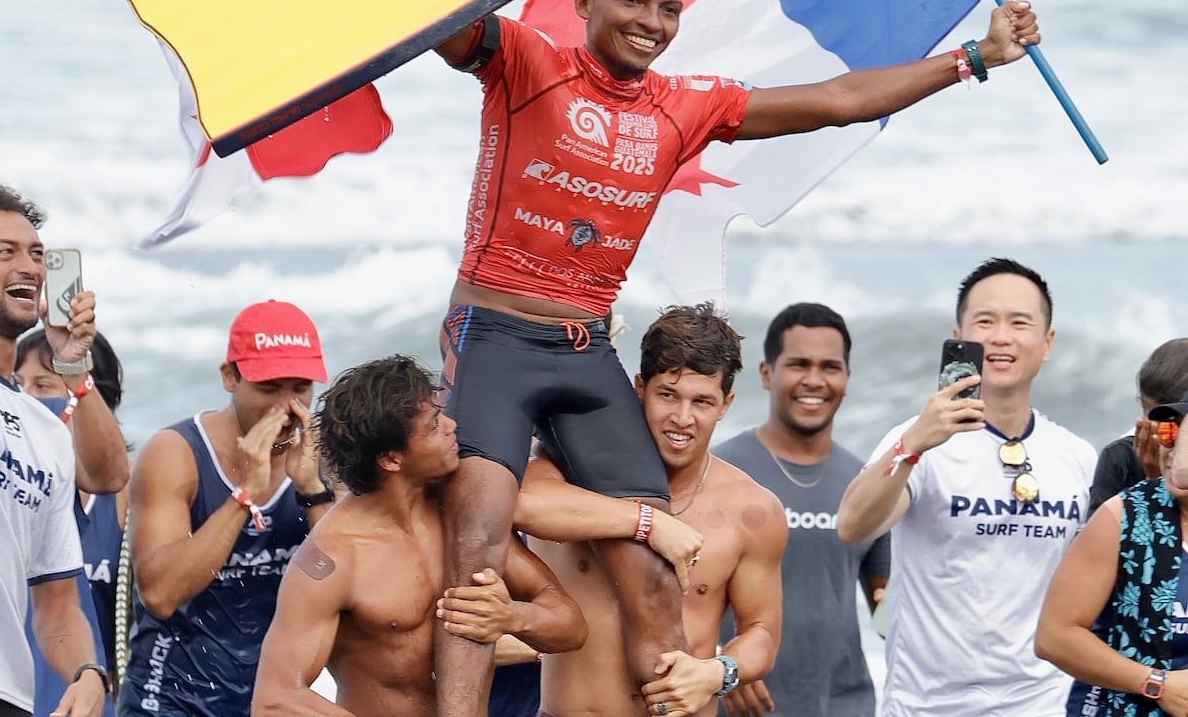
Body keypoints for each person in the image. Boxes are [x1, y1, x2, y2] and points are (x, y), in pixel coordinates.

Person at [429, 0, 1041, 715]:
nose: (651, 21)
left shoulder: (683, 106)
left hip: (585, 348)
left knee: (653, 565)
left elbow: (838, 100)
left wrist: (975, 57)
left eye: (669, 10)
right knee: (476, 552)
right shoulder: (523, 60)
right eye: (632, 1)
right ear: (584, 5)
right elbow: (433, 18)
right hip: (496, 333)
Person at [250, 355, 586, 717]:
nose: (452, 426)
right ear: (391, 459)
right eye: (433, 425)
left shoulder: (462, 518)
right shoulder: (333, 560)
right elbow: (275, 700)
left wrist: (510, 617)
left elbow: (572, 627)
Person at [836, 257, 1096, 716]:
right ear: (958, 338)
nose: (1000, 336)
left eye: (1019, 322)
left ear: (1047, 343)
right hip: (927, 705)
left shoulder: (1076, 456)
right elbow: (853, 525)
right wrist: (914, 443)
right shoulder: (919, 440)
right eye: (984, 321)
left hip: (1043, 703)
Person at [514, 303, 788, 717]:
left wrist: (719, 672)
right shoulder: (567, 471)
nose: (682, 418)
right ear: (640, 387)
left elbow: (762, 632)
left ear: (726, 404)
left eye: (702, 402)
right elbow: (522, 503)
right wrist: (648, 523)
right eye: (667, 395)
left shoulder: (752, 509)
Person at [116, 299, 336, 716]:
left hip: (268, 700)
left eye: (300, 388)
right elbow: (160, 595)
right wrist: (243, 497)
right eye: (269, 389)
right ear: (229, 377)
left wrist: (312, 492)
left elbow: (342, 583)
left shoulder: (319, 458)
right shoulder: (175, 453)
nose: (287, 408)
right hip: (169, 699)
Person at [712, 302, 890, 717]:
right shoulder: (721, 472)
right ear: (766, 373)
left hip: (845, 706)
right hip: (739, 706)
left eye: (830, 367)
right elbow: (667, 598)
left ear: (846, 377)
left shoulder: (866, 485)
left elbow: (889, 615)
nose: (815, 380)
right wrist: (720, 661)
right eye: (798, 364)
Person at [0, 182, 108, 716]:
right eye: (5, 252)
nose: (31, 268)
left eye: (38, 255)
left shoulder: (47, 432)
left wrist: (87, 673)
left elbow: (57, 604)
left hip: (7, 692)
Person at [1035, 392, 1188, 716]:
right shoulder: (1123, 516)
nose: (1172, 448)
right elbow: (1055, 635)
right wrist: (1155, 683)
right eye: (1168, 432)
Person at [17, 330, 130, 709]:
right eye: (18, 384)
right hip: (11, 688)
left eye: (42, 384)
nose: (26, 397)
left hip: (94, 692)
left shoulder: (127, 493)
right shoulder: (7, 483)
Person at [1087, 338, 1188, 516]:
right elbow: (1102, 538)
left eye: (1172, 425)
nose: (1156, 434)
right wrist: (1154, 483)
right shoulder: (1121, 458)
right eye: (1151, 417)